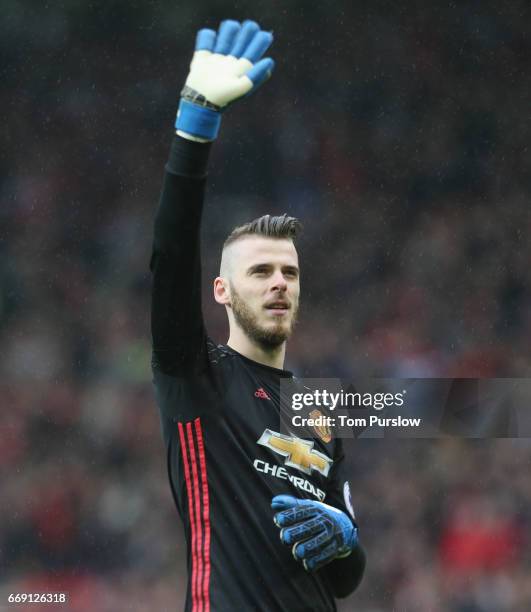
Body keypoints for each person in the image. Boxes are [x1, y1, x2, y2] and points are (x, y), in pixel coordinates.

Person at [150, 19, 366, 611]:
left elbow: (347, 578)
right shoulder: (195, 375)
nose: (279, 284)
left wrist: (344, 541)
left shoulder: (320, 407)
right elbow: (169, 258)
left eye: (289, 273)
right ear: (221, 290)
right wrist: (194, 128)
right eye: (260, 272)